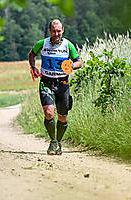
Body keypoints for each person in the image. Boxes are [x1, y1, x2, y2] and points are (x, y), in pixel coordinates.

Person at [28, 19, 83, 155]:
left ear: (63, 30)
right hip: (46, 82)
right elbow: (32, 54)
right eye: (54, 31)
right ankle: (52, 141)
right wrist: (33, 67)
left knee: (62, 117)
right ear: (50, 31)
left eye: (59, 31)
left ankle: (59, 141)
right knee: (48, 113)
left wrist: (72, 66)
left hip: (62, 84)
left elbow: (79, 62)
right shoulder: (42, 43)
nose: (56, 33)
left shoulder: (68, 45)